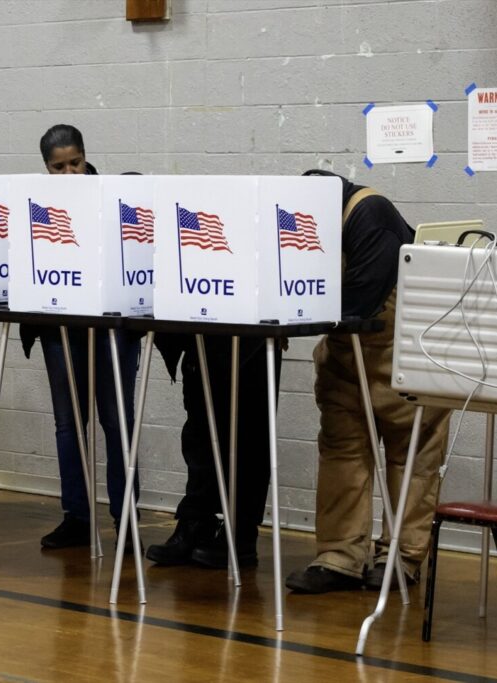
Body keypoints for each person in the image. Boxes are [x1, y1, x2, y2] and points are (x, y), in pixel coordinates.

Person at [285, 170, 451, 593]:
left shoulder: (369, 213)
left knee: (410, 458)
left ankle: (402, 555)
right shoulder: (303, 216)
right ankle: (339, 555)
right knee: (342, 453)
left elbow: (360, 297)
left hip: (407, 351)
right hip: (346, 357)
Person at [23, 124, 141, 549]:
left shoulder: (113, 196)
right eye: (59, 167)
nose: (70, 173)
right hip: (61, 330)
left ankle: (125, 515)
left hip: (114, 331)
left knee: (117, 423)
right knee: (68, 426)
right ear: (46, 168)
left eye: (75, 162)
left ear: (86, 156)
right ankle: (76, 515)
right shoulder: (35, 206)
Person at [144, 337, 281, 568]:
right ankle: (197, 521)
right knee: (200, 429)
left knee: (251, 431)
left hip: (255, 334)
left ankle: (242, 533)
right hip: (204, 328)